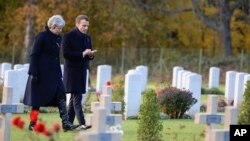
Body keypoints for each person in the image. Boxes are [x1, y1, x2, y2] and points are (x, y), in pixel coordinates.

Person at [23, 15, 78, 132]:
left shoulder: (59, 38)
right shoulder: (41, 37)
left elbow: (57, 57)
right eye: (59, 28)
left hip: (55, 74)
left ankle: (66, 123)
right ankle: (32, 124)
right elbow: (34, 55)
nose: (60, 30)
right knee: (36, 100)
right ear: (53, 26)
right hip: (40, 74)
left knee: (61, 95)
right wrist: (33, 73)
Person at [62, 15, 96, 130]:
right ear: (77, 24)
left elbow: (89, 55)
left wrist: (91, 55)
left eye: (87, 26)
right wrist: (82, 53)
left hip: (82, 71)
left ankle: (68, 125)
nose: (86, 28)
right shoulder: (68, 36)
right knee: (77, 98)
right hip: (72, 72)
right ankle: (82, 123)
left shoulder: (88, 38)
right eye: (83, 25)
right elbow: (66, 54)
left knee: (73, 99)